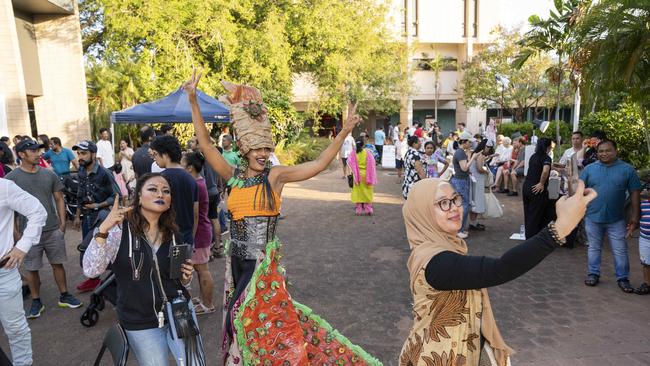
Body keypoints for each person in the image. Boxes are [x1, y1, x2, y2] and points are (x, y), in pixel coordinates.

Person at [185, 73, 378, 364]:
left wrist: (343, 133)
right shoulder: (232, 176)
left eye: (267, 148)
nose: (263, 154)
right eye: (258, 149)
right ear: (244, 148)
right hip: (236, 262)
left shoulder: (275, 177)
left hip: (261, 266)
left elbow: (318, 163)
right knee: (239, 326)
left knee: (263, 326)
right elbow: (206, 144)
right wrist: (193, 101)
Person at [399, 178, 597, 366]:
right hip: (437, 357)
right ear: (422, 213)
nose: (454, 208)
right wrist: (559, 228)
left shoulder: (442, 247)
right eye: (443, 203)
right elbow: (499, 269)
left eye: (455, 199)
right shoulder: (436, 262)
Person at [83, 173, 204, 366]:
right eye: (153, 189)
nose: (161, 194)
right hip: (140, 321)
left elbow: (179, 280)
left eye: (166, 191)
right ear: (139, 196)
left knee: (195, 364)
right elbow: (91, 270)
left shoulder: (173, 234)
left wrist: (185, 276)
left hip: (180, 311)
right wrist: (104, 228)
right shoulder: (119, 232)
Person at [6, 140, 82, 318]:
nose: (38, 153)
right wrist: (15, 232)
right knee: (32, 268)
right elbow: (8, 208)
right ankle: (36, 300)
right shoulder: (12, 178)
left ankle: (64, 295)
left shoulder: (49, 174)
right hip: (28, 234)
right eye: (33, 150)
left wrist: (62, 223)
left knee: (58, 263)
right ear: (21, 154)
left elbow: (59, 199)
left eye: (38, 150)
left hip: (52, 229)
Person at [580, 139, 641, 293]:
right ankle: (593, 274)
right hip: (593, 217)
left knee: (620, 250)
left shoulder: (627, 170)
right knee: (594, 248)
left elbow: (635, 193)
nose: (604, 154)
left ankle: (623, 278)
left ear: (616, 151)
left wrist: (635, 216)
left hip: (617, 219)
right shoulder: (589, 169)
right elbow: (578, 190)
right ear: (597, 153)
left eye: (608, 150)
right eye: (601, 151)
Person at [0, 178, 46, 366]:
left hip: (3, 272)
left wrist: (23, 246)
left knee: (16, 328)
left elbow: (37, 211)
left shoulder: (3, 187)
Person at [72, 140, 121, 292]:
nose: (80, 157)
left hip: (103, 219)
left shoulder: (104, 173)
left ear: (93, 154)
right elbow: (80, 195)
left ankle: (117, 279)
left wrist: (98, 205)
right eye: (78, 153)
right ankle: (93, 280)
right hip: (87, 218)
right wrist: (77, 215)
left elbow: (117, 196)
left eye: (84, 153)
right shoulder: (80, 171)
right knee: (89, 249)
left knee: (109, 249)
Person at [182, 152, 216, 314]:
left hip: (199, 234)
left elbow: (195, 215)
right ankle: (203, 300)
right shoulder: (198, 182)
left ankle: (208, 304)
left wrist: (192, 238)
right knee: (199, 269)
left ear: (189, 168)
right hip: (201, 232)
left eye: (181, 163)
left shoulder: (196, 185)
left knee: (202, 270)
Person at [150, 135, 198, 246]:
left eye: (155, 154)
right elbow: (195, 213)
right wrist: (191, 237)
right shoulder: (191, 178)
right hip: (187, 238)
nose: (154, 158)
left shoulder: (159, 180)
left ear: (165, 154)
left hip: (165, 239)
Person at [522, 138, 555, 239]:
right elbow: (545, 171)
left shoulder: (533, 156)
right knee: (535, 216)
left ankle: (528, 236)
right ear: (548, 147)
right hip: (536, 189)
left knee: (528, 214)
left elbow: (537, 168)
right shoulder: (546, 158)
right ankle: (533, 240)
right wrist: (541, 183)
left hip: (527, 186)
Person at [450, 131, 477, 239]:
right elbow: (464, 168)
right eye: (469, 142)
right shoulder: (460, 152)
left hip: (460, 180)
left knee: (463, 205)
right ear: (464, 142)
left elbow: (464, 168)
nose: (470, 144)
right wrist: (473, 157)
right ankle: (459, 230)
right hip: (461, 181)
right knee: (464, 205)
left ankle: (459, 229)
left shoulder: (460, 152)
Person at [348, 137, 377, 215]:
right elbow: (373, 163)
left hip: (357, 176)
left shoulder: (353, 153)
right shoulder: (367, 152)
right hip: (367, 175)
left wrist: (353, 171)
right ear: (363, 144)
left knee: (358, 192)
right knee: (367, 192)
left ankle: (358, 210)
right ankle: (368, 209)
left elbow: (349, 162)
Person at [469, 139, 494, 231]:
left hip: (476, 179)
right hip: (477, 180)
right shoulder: (479, 155)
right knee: (476, 200)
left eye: (490, 147)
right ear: (483, 146)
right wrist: (487, 172)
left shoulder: (477, 154)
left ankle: (473, 222)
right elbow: (479, 168)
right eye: (487, 147)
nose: (488, 149)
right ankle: (473, 223)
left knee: (474, 201)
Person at [636, 170, 650, 295]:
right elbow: (638, 218)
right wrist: (631, 229)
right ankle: (647, 284)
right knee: (646, 263)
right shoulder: (644, 204)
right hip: (645, 238)